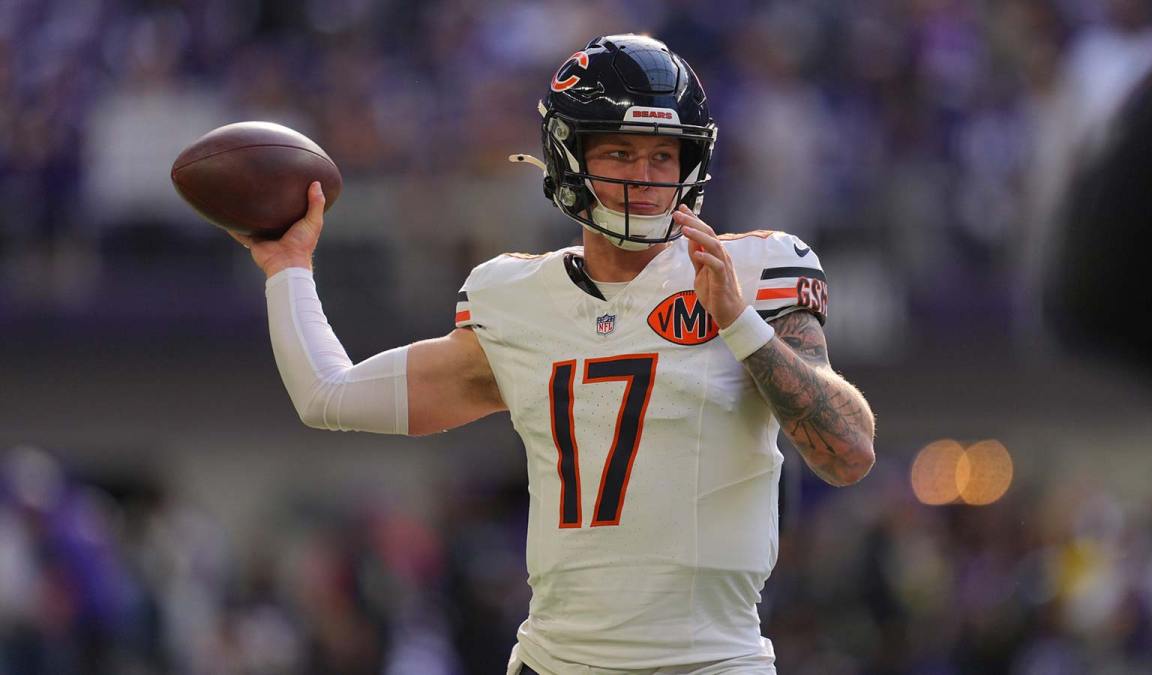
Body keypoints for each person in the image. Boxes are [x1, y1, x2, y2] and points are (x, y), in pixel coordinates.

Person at [230, 34, 875, 675]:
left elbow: (849, 453)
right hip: (555, 660)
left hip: (713, 661)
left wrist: (739, 324)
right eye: (621, 152)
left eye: (662, 156)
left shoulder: (755, 271)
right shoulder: (515, 300)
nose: (645, 179)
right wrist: (288, 267)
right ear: (569, 154)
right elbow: (327, 396)